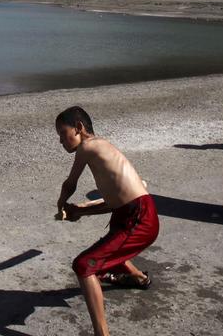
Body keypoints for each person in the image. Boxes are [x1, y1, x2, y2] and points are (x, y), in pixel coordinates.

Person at [55, 106, 159, 336]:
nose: (61, 141)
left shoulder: (87, 146)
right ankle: (138, 278)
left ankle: (102, 334)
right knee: (111, 242)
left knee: (83, 265)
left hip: (139, 218)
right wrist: (80, 211)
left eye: (63, 134)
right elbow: (115, 202)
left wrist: (61, 202)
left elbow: (70, 184)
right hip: (135, 213)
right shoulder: (104, 147)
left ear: (79, 128)